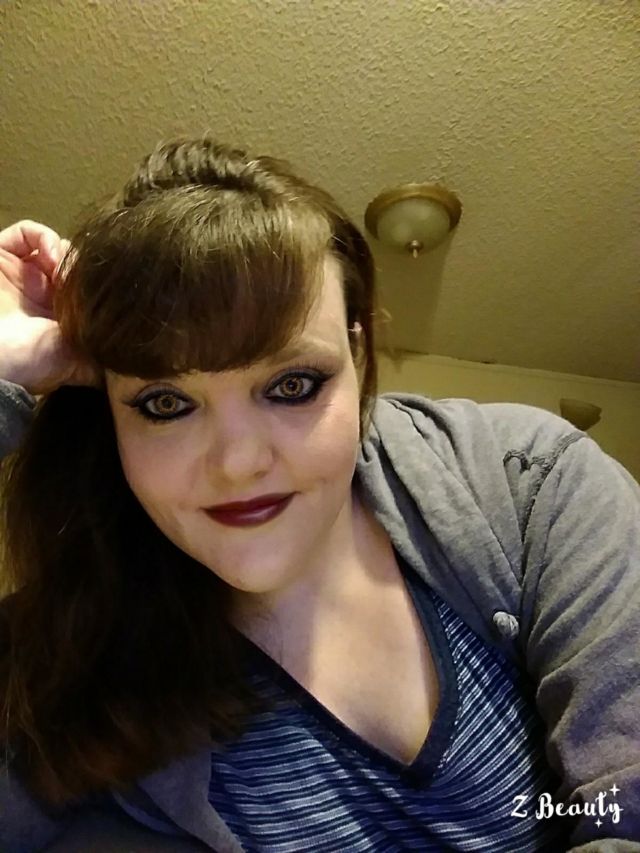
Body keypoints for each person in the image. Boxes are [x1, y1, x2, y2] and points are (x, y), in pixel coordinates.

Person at [0, 135, 638, 853]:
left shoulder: (529, 480)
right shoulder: (65, 653)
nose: (239, 463)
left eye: (292, 385)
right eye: (166, 404)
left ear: (358, 355)